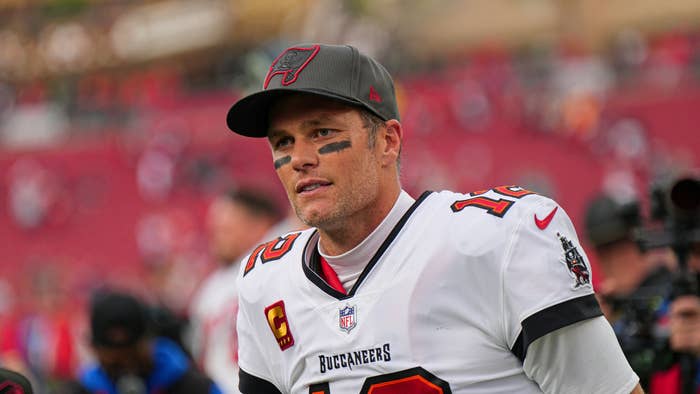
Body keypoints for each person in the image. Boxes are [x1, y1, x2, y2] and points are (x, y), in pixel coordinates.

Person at [225, 43, 643, 393]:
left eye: (322, 133)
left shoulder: (499, 238)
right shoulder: (265, 283)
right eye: (283, 140)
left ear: (387, 142)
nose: (299, 158)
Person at [188, 187, 281, 394]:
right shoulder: (212, 288)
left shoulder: (281, 262)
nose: (216, 238)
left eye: (225, 229)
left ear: (259, 225)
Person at [584, 193, 675, 388]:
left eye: (622, 245)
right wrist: (598, 334)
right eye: (604, 251)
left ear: (640, 240)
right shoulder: (604, 308)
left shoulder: (676, 285)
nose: (615, 260)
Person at [75, 290, 221, 394]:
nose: (127, 367)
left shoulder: (194, 387)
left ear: (150, 341)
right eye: (115, 362)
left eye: (132, 357)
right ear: (94, 350)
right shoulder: (81, 389)